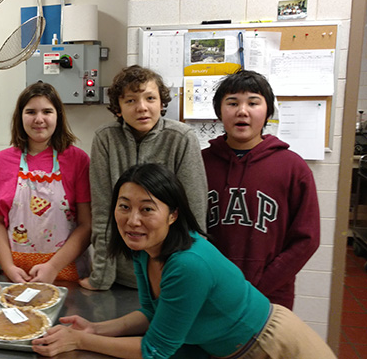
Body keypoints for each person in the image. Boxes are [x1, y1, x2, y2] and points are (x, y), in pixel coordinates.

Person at [32, 164, 336, 359]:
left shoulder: (187, 264)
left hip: (274, 347)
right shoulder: (145, 250)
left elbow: (155, 350)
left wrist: (80, 342)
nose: (133, 220)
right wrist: (96, 329)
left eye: (147, 209)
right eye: (124, 206)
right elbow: (153, 315)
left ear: (173, 214)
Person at [202, 70, 320, 310]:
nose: (242, 111)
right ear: (219, 111)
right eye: (232, 103)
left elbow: (306, 240)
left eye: (253, 102)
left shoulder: (292, 167)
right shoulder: (198, 163)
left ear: (267, 112)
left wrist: (261, 286)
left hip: (270, 297)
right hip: (207, 292)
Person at [83, 65, 208, 291]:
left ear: (161, 104)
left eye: (150, 98)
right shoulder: (106, 139)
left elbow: (194, 216)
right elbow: (102, 212)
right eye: (130, 100)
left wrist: (186, 276)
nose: (142, 107)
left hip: (169, 272)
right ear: (118, 108)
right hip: (120, 275)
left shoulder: (181, 138)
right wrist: (101, 276)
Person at [0, 82, 91, 283]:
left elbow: (87, 225)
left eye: (47, 112)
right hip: (17, 274)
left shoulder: (78, 160)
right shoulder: (2, 161)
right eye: (31, 112)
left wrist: (52, 267)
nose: (39, 119)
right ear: (20, 116)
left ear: (58, 116)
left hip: (65, 273)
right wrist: (8, 267)